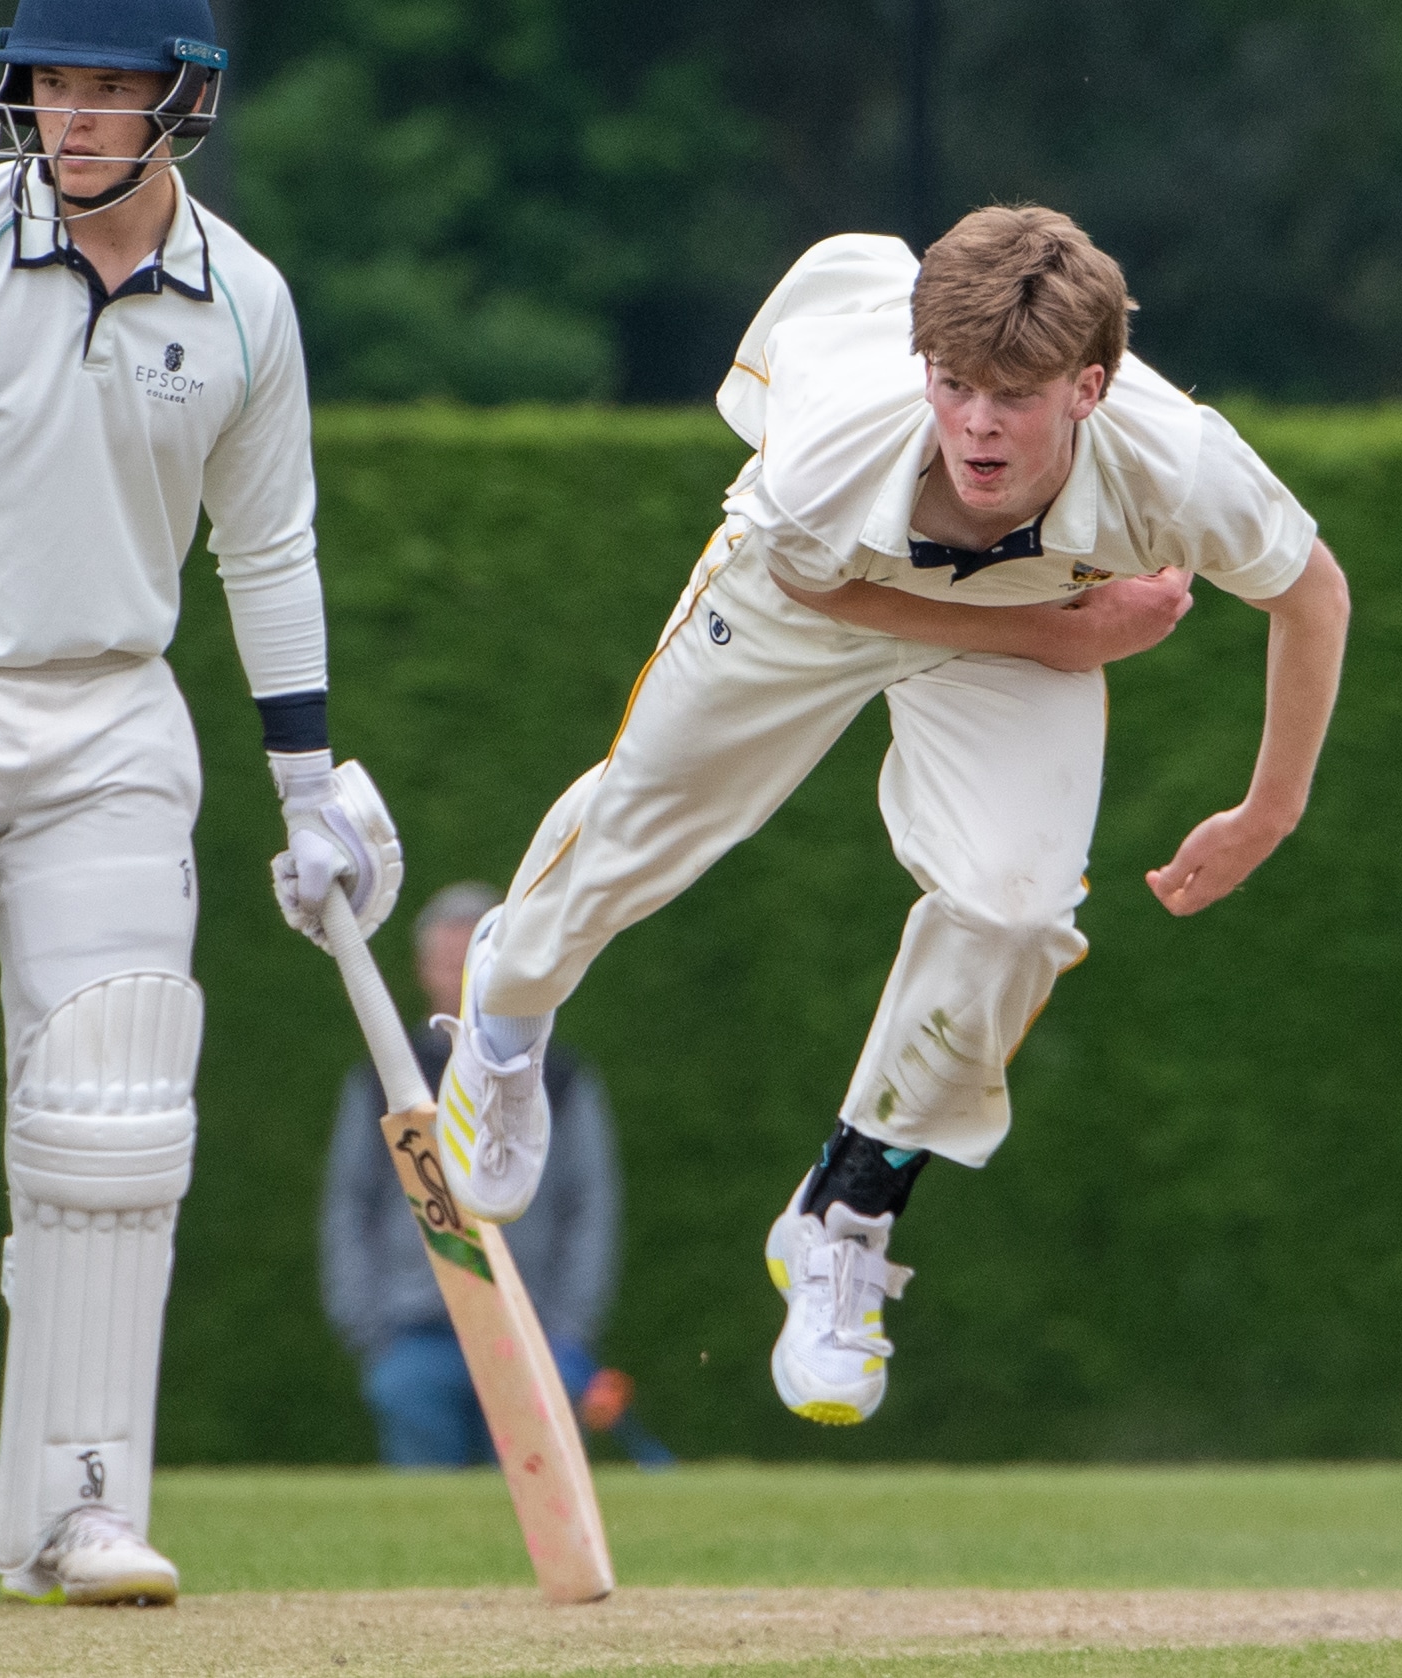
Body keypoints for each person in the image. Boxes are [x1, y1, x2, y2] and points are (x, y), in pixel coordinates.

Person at [430, 207, 1351, 1427]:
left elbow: (1312, 593)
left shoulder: (1173, 460)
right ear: (924, 368)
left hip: (1031, 616)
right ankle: (507, 1008)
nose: (978, 423)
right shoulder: (834, 444)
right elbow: (822, 581)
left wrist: (1266, 813)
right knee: (653, 819)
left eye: (1015, 395)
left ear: (1090, 384)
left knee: (1017, 914)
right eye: (957, 385)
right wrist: (1058, 632)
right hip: (813, 593)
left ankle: (846, 1210)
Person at [0, 0, 401, 1605]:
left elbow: (266, 546)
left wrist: (311, 788)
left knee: (113, 1111)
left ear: (182, 102)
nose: (71, 116)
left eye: (105, 88)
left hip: (113, 716)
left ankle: (77, 1508)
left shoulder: (246, 305)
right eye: (52, 84)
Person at [321, 883, 673, 1470]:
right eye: (448, 962)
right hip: (415, 1337)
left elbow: (591, 1205)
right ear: (423, 970)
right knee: (426, 1515)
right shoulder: (381, 1080)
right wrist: (372, 1329)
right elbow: (348, 1205)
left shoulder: (560, 1079)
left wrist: (569, 1327)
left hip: (535, 1331)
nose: (459, 977)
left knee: (537, 1499)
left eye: (472, 964)